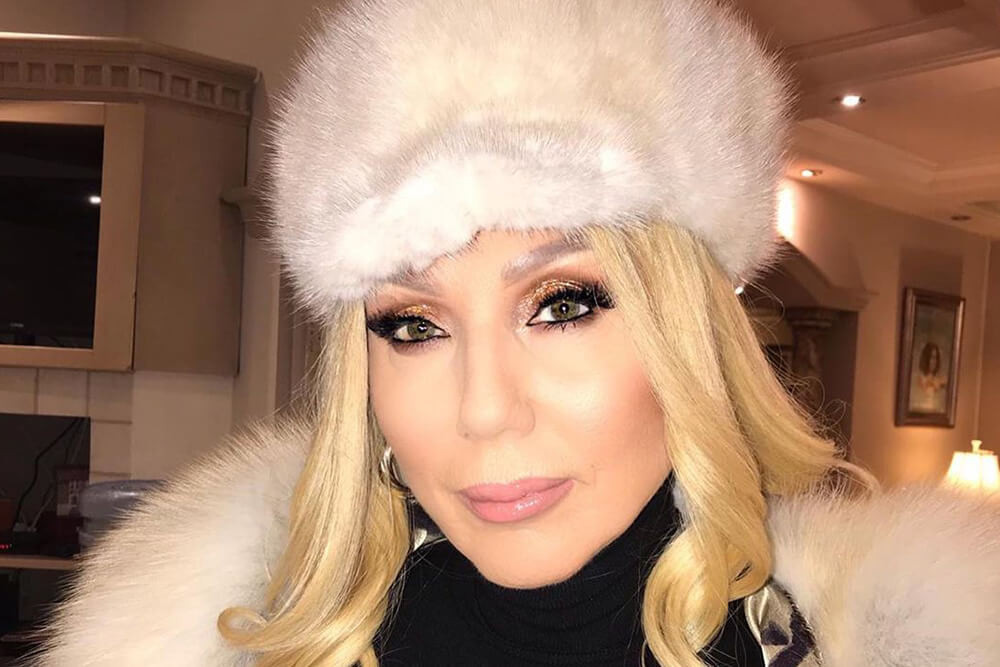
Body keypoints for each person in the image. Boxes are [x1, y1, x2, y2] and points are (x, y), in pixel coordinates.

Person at [26, 1, 1000, 666]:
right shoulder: (207, 639)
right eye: (413, 324)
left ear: (689, 334)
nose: (485, 411)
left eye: (562, 303)